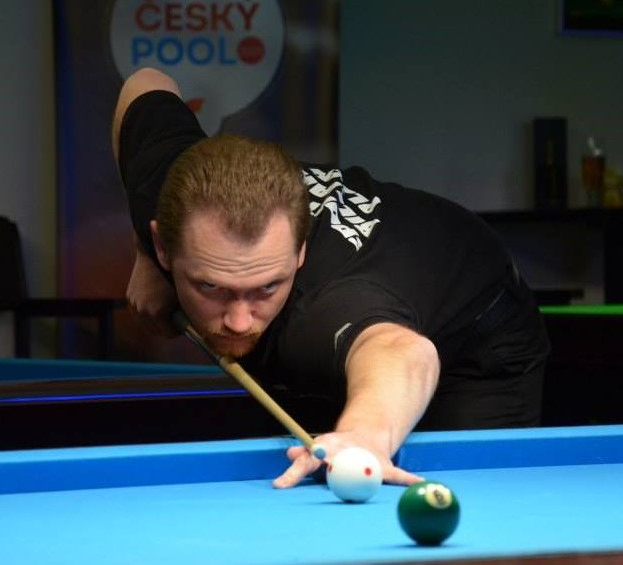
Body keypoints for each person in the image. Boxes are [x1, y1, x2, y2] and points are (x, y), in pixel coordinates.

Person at [112, 67, 550, 489]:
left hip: (475, 337)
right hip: (374, 297)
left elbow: (404, 352)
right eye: (211, 286)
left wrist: (365, 438)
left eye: (266, 287)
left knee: (453, 493)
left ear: (299, 251)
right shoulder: (165, 186)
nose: (239, 321)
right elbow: (145, 82)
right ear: (166, 244)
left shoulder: (326, 305)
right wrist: (145, 255)